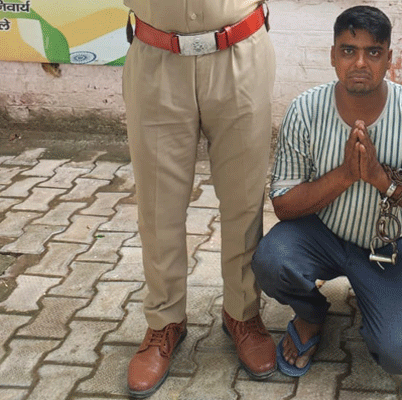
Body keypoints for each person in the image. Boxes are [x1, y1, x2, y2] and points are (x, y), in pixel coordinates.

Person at [251, 5, 402, 377]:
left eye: (373, 52)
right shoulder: (305, 110)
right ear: (333, 56)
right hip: (323, 234)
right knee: (272, 259)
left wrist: (383, 181)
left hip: (390, 246)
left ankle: (380, 301)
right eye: (349, 51)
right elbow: (283, 204)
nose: (360, 62)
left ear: (389, 59)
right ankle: (311, 314)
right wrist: (346, 175)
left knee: (400, 354)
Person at [122, 1, 277, 397]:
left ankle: (242, 312)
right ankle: (164, 320)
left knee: (244, 200)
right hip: (157, 54)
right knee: (158, 207)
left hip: (239, 50)